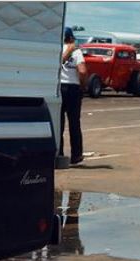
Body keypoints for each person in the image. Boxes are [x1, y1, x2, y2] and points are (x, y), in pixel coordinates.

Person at [60, 27, 86, 166]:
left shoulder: (56, 49)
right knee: (74, 123)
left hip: (58, 88)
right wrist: (83, 86)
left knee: (59, 123)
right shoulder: (76, 51)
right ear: (71, 38)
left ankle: (59, 154)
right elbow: (82, 71)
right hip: (73, 88)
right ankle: (76, 155)